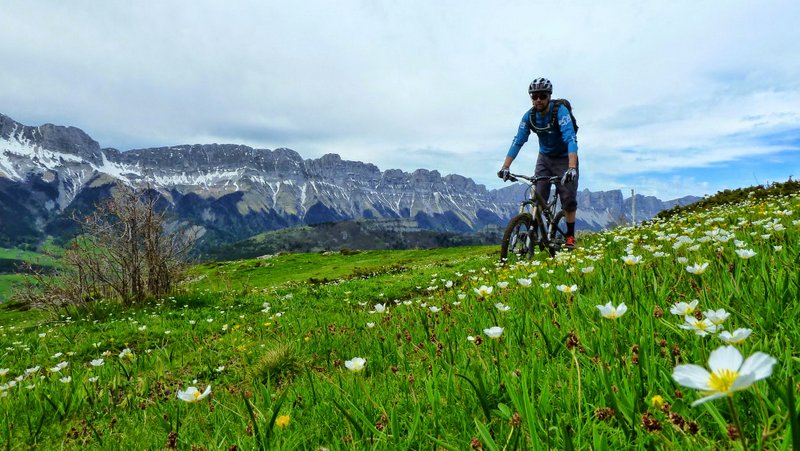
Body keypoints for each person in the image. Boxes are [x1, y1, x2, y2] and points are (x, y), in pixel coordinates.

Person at [497, 77, 579, 248]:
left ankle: (570, 236)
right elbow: (518, 141)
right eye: (534, 97)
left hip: (565, 157)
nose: (538, 100)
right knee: (538, 195)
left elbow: (570, 138)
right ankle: (534, 230)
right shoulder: (529, 116)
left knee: (568, 199)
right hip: (545, 158)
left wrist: (571, 167)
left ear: (549, 96)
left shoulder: (560, 111)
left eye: (542, 96)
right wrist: (505, 166)